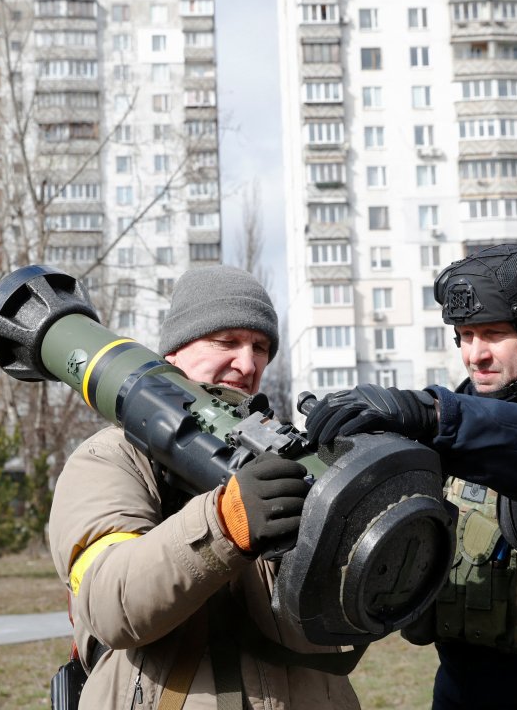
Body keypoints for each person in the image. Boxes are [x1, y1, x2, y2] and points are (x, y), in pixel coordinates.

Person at [303, 244, 517, 710]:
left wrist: (436, 414)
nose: (474, 355)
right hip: (459, 691)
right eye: (464, 335)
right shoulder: (451, 428)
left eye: (493, 333)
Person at [48, 265, 360, 710]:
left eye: (260, 347)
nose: (248, 363)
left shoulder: (289, 453)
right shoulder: (111, 457)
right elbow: (108, 603)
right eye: (226, 341)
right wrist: (224, 524)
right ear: (173, 353)